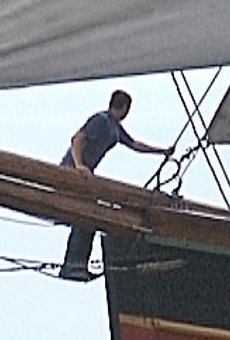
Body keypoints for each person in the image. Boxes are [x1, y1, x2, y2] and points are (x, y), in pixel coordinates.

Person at [56, 89, 169, 280]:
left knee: (90, 216)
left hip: (85, 172)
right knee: (87, 214)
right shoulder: (101, 120)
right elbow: (77, 139)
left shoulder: (115, 127)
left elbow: (134, 144)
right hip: (74, 170)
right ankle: (73, 265)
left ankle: (76, 265)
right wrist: (79, 166)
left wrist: (162, 151)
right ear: (124, 107)